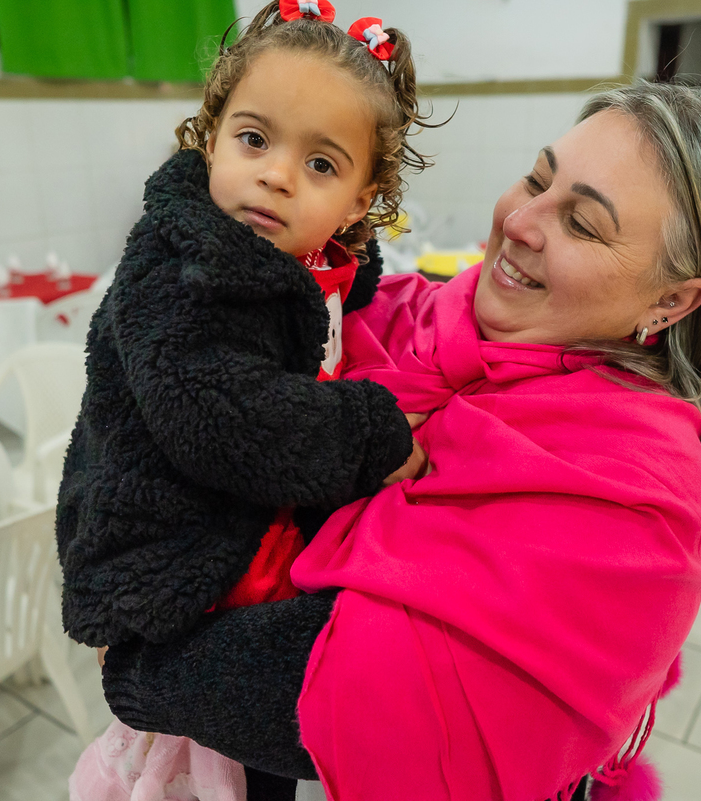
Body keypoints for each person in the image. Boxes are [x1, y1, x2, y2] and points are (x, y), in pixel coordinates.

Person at [95, 80, 701, 801]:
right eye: (538, 180)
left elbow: (382, 702)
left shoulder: (639, 490)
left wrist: (142, 672)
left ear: (670, 300)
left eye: (582, 224)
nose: (520, 222)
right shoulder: (409, 318)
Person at [57, 2, 435, 799]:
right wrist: (375, 433)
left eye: (322, 165)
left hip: (242, 545)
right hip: (172, 564)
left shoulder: (298, 257)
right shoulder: (182, 266)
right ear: (211, 132)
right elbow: (227, 418)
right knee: (212, 764)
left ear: (357, 206)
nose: (276, 175)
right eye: (254, 139)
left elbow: (326, 289)